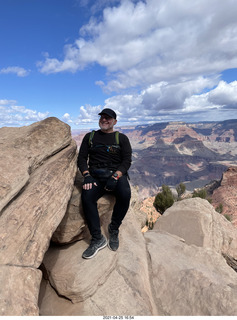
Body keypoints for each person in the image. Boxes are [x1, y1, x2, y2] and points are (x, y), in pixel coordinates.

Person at [77, 108, 132, 259]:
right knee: (87, 197)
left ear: (115, 122)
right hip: (95, 176)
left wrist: (116, 176)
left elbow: (127, 161)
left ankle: (113, 229)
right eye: (102, 117)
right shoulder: (90, 136)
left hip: (115, 175)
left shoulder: (121, 138)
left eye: (108, 118)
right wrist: (86, 176)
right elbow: (81, 159)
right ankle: (97, 239)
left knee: (125, 194)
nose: (104, 120)